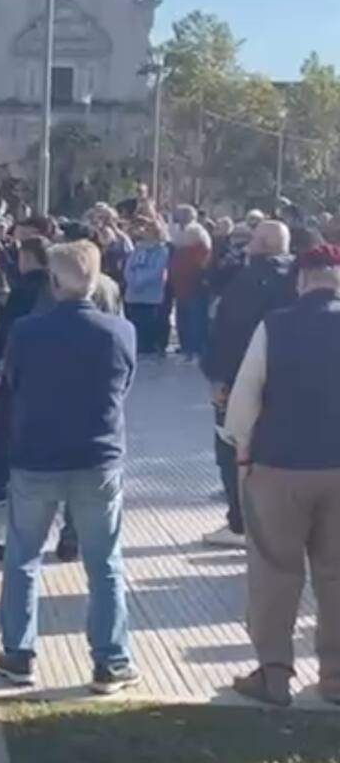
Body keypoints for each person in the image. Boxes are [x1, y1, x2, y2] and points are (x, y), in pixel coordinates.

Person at [0, 241, 140, 695]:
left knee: (23, 558)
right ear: (96, 281)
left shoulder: (25, 332)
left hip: (36, 457)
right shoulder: (121, 332)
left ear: (53, 283)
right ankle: (110, 660)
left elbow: (11, 384)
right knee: (105, 563)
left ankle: (18, 654)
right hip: (97, 459)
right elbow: (126, 385)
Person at [222, 243, 340, 707]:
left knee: (274, 572)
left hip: (280, 466)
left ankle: (274, 673)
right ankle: (335, 677)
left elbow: (245, 397)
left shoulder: (276, 325)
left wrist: (244, 453)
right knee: (336, 575)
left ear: (301, 279)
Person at [200, 220, 297, 548]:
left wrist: (218, 378)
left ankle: (239, 522)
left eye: (253, 239)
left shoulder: (248, 279)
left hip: (242, 378)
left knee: (231, 447)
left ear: (265, 243)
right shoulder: (297, 277)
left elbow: (229, 332)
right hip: (288, 383)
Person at [0, 237, 51, 504]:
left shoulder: (26, 289)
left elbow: (7, 330)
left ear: (29, 257)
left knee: (4, 426)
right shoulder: (53, 287)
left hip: (14, 367)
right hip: (43, 370)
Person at [169, 205, 213, 362]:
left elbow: (177, 240)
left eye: (179, 214)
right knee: (183, 318)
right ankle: (186, 347)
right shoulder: (180, 230)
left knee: (195, 319)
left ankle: (195, 350)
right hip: (181, 285)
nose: (176, 217)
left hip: (194, 284)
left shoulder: (195, 230)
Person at [123, 218, 171, 356]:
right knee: (135, 322)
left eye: (150, 230)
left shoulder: (162, 251)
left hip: (151, 295)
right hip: (133, 294)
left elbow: (157, 270)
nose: (146, 232)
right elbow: (128, 268)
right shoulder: (137, 249)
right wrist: (132, 280)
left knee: (148, 323)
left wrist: (140, 281)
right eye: (146, 230)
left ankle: (150, 347)